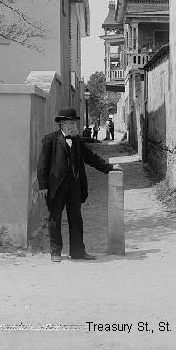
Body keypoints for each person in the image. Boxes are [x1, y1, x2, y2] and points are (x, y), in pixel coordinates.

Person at [37, 107, 121, 262]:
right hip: (57, 186)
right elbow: (42, 164)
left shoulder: (77, 141)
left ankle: (77, 252)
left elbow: (90, 158)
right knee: (54, 219)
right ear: (62, 124)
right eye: (69, 123)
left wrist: (109, 168)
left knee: (76, 218)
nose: (73, 125)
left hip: (75, 186)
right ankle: (55, 252)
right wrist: (43, 186)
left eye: (74, 122)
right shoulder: (50, 139)